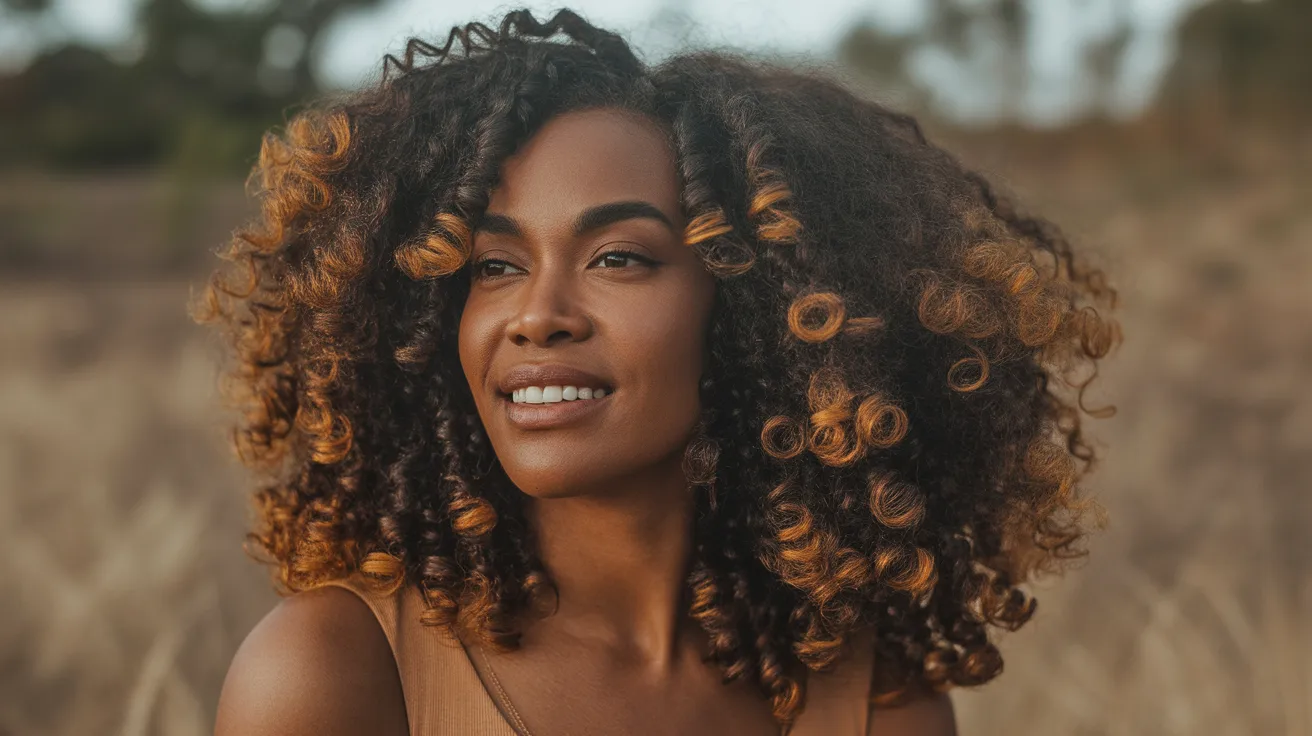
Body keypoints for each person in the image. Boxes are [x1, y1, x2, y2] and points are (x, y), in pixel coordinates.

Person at [204, 8, 1118, 735]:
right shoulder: (336, 675)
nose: (538, 315)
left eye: (619, 258)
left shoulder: (875, 700)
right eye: (494, 266)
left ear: (766, 308)